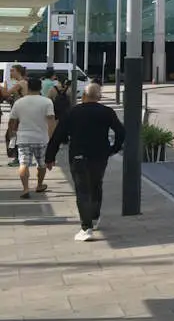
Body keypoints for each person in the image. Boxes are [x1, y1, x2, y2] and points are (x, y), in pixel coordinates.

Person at [44, 83, 125, 242]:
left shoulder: (72, 112)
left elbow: (58, 135)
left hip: (78, 156)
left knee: (82, 190)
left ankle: (85, 227)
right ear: (99, 97)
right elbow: (121, 132)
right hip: (100, 155)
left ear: (84, 97)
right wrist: (113, 149)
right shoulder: (107, 112)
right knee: (96, 185)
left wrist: (50, 157)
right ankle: (94, 218)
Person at [7, 77, 56, 199]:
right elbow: (51, 121)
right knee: (41, 164)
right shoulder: (47, 102)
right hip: (42, 138)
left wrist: (12, 133)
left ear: (28, 87)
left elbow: (12, 121)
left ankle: (25, 189)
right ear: (40, 88)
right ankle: (39, 185)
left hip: (23, 138)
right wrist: (52, 138)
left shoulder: (19, 102)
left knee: (23, 163)